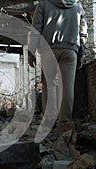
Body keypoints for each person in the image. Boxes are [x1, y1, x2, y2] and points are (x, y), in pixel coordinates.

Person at [28, 0, 88, 134]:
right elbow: (83, 32)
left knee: (50, 86)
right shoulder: (78, 7)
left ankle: (49, 122)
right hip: (70, 51)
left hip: (48, 50)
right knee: (67, 88)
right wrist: (81, 54)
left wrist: (31, 51)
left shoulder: (43, 4)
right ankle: (64, 124)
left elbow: (36, 28)